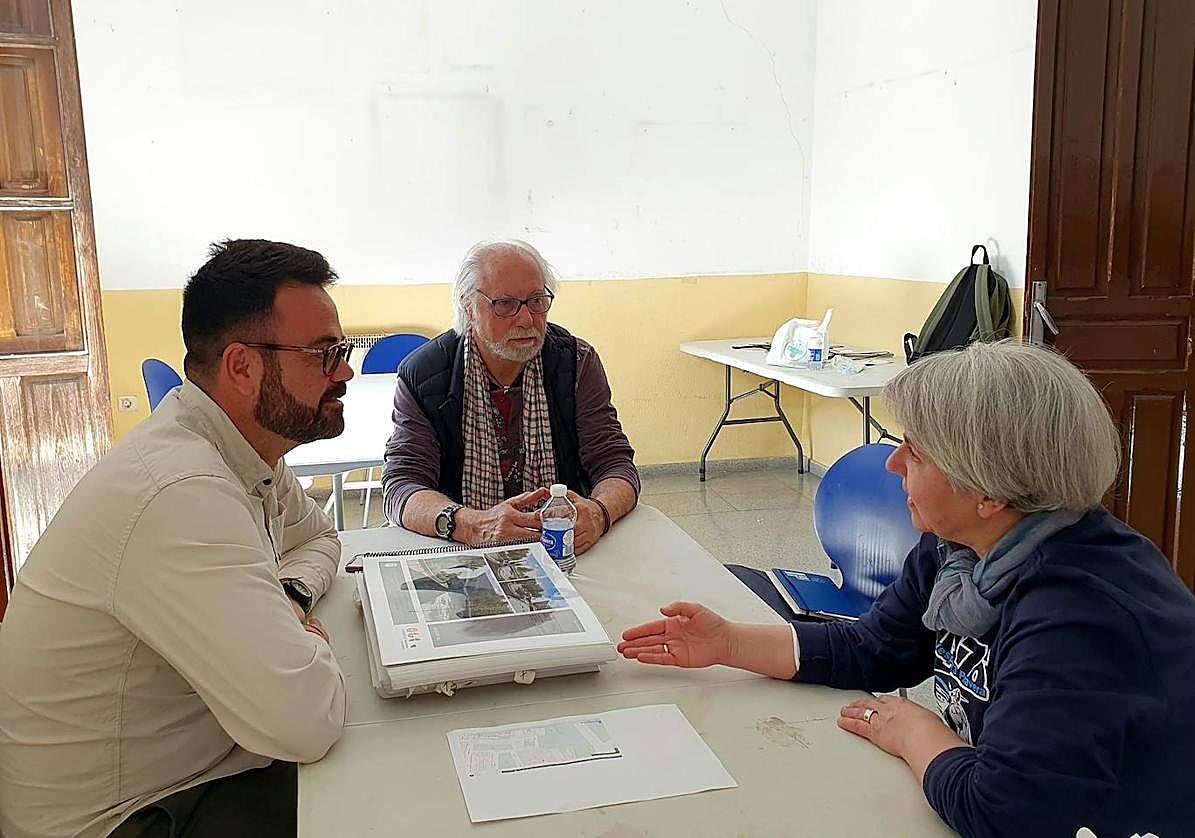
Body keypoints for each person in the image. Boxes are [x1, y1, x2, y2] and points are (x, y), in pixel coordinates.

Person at [618, 340, 1195, 837]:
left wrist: (918, 733)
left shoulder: (1080, 615)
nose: (893, 464)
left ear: (988, 491)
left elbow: (1007, 813)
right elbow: (877, 649)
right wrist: (729, 644)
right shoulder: (963, 548)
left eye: (915, 451)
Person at [0, 240, 354, 838]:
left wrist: (289, 600)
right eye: (324, 354)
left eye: (342, 350)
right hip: (123, 818)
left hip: (190, 771)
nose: (344, 371)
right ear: (242, 367)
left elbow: (321, 539)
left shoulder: (238, 448)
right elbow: (304, 719)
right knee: (384, 792)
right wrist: (304, 649)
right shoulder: (180, 489)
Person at [382, 239, 639, 554]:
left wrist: (598, 513)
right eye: (505, 304)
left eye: (536, 300)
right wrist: (472, 524)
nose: (527, 320)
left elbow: (614, 463)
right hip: (462, 550)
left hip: (563, 542)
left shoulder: (575, 361)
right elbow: (403, 485)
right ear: (468, 306)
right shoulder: (423, 373)